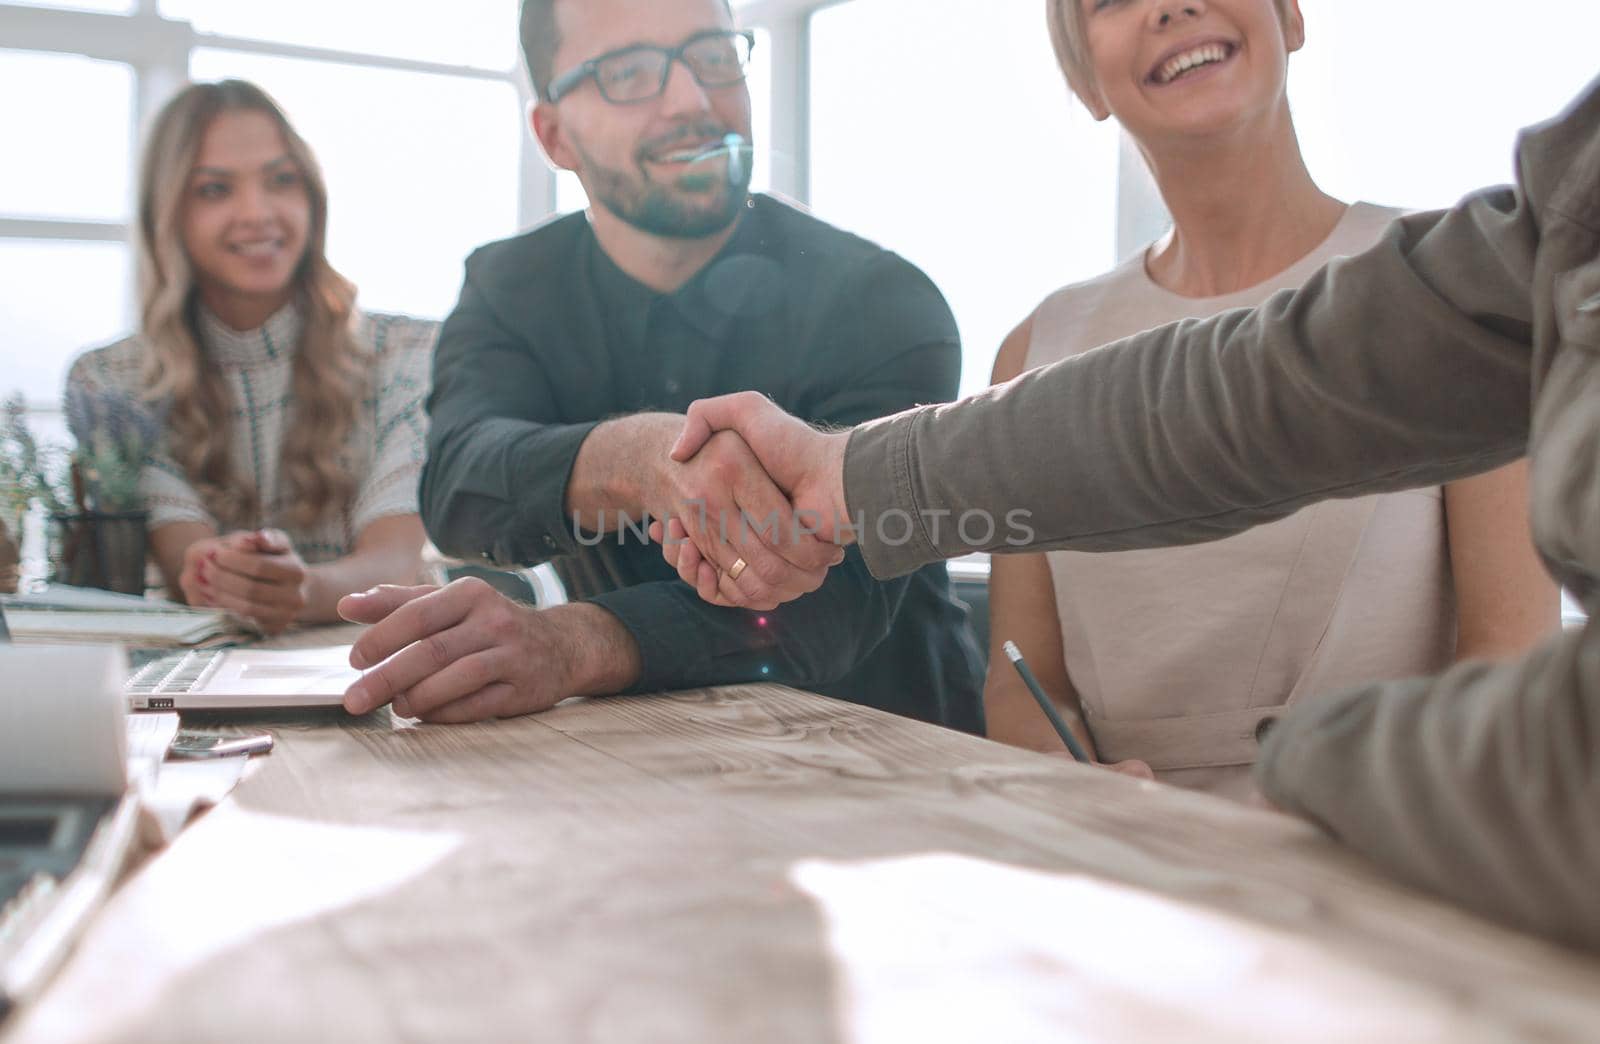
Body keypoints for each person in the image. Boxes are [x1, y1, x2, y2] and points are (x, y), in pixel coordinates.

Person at [655, 75, 1600, 950]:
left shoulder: (1466, 265)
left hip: (1404, 905)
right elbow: (1252, 392)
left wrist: (1304, 781)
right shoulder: (1521, 247)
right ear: (1082, 76)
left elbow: (1522, 683)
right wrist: (848, 473)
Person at [335, 0, 984, 731]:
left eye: (712, 56)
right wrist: (637, 460)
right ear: (554, 135)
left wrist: (570, 643)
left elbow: (834, 602)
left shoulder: (881, 299)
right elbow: (459, 487)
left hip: (895, 766)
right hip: (625, 762)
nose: (692, 100)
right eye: (630, 72)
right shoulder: (509, 287)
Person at [975, 0, 1557, 797]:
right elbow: (1023, 676)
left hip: (1390, 869)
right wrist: (1063, 781)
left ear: (1290, 15)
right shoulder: (1035, 352)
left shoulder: (1452, 295)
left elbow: (1512, 653)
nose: (1171, 4)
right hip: (1118, 881)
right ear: (1084, 80)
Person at [65, 80, 435, 635]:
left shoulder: (410, 354)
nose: (257, 213)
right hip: (201, 688)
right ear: (168, 213)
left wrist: (301, 589)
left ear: (312, 195)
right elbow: (187, 560)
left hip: (389, 675)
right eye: (215, 190)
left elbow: (397, 563)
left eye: (281, 181)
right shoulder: (112, 383)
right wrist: (221, 572)